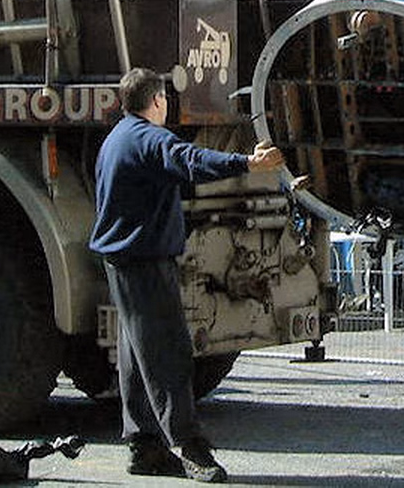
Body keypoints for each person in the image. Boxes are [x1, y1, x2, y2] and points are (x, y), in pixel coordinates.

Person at [87, 67, 285, 482]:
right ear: (157, 100)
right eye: (165, 99)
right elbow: (189, 160)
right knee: (167, 355)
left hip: (122, 260)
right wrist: (247, 161)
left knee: (135, 358)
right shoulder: (147, 137)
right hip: (143, 261)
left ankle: (144, 447)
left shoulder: (117, 138)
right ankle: (191, 448)